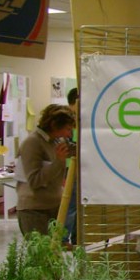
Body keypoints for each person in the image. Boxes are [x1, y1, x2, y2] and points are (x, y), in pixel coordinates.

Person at [15, 104, 76, 236]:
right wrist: (58, 161)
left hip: (53, 207)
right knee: (41, 249)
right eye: (67, 129)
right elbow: (35, 180)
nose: (69, 134)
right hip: (35, 210)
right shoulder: (32, 143)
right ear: (54, 125)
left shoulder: (55, 141)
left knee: (54, 248)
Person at [64, 88, 79, 245]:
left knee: (77, 205)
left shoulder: (79, 118)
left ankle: (76, 238)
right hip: (70, 168)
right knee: (71, 205)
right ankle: (63, 237)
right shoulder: (69, 119)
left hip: (80, 168)